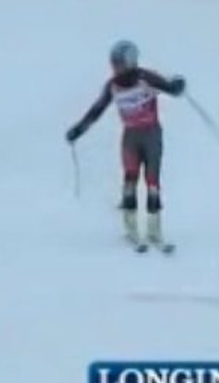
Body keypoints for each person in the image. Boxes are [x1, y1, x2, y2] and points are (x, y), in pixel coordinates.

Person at [66, 40, 186, 246]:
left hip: (151, 135)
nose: (116, 69)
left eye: (119, 64)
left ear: (130, 63)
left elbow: (168, 87)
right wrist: (79, 129)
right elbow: (97, 111)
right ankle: (131, 227)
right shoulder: (112, 86)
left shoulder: (144, 77)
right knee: (130, 179)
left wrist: (176, 86)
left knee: (152, 182)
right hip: (130, 137)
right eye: (114, 64)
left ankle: (154, 229)